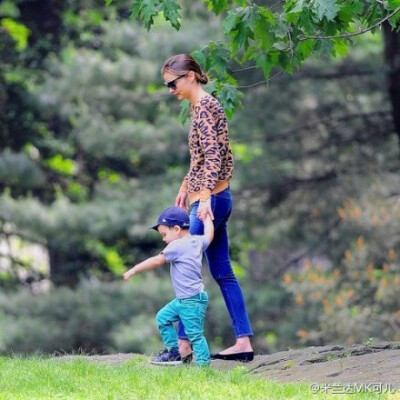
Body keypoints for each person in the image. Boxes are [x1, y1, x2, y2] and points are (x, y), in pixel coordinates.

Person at [161, 54, 254, 362]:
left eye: (172, 83)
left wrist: (201, 199)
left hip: (210, 199)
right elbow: (200, 159)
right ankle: (243, 342)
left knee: (186, 265)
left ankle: (183, 347)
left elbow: (213, 157)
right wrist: (185, 186)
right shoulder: (202, 106)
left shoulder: (203, 107)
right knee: (222, 272)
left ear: (189, 76)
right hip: (217, 196)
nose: (170, 90)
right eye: (167, 86)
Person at [122, 206, 213, 366]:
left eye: (164, 234)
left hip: (191, 301)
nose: (163, 239)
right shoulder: (197, 241)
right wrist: (206, 219)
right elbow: (209, 236)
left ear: (177, 229)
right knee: (163, 318)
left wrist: (134, 270)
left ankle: (204, 366)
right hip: (185, 300)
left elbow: (157, 261)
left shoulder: (177, 245)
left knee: (195, 335)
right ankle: (175, 352)